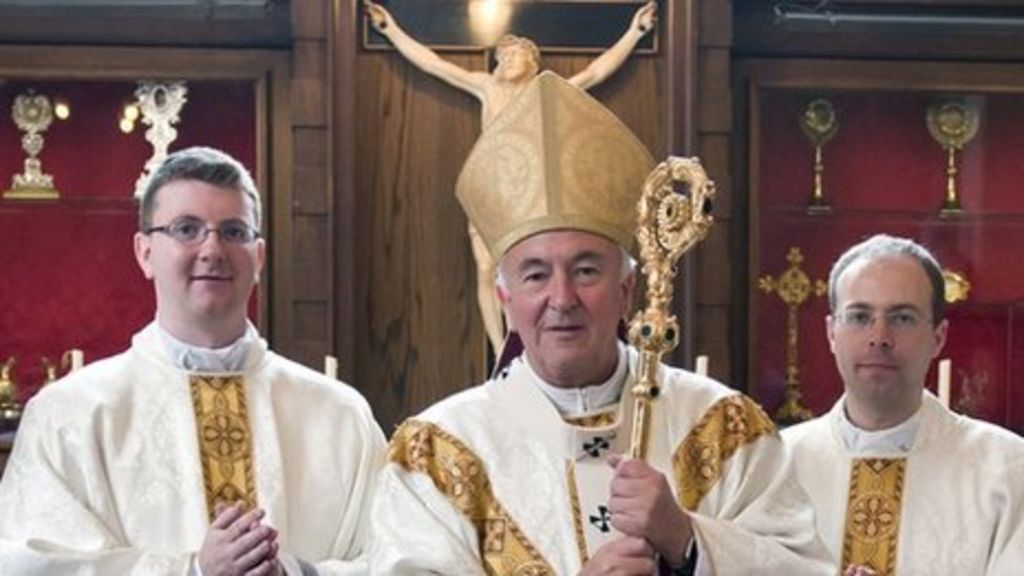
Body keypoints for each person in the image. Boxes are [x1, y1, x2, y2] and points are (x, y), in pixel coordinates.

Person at [368, 72, 830, 575]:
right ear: (505, 299)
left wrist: (687, 541)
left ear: (626, 290)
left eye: (586, 270)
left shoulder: (722, 427)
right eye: (536, 275)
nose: (562, 298)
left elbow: (803, 568)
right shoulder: (439, 451)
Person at [0, 147, 386, 575]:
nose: (212, 248)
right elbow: (29, 564)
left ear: (258, 257)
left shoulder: (340, 415)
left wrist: (296, 573)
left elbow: (396, 562)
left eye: (234, 232)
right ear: (145, 252)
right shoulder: (68, 415)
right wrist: (193, 571)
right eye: (187, 229)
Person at [365, 0, 657, 352]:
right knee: (486, 268)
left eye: (514, 55)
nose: (505, 61)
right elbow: (432, 64)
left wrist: (634, 32)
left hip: (531, 189)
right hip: (493, 184)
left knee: (531, 267)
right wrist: (390, 29)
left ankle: (525, 338)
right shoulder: (487, 87)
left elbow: (597, 72)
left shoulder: (546, 92)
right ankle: (503, 346)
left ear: (532, 63)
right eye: (502, 57)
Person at [783, 234, 1024, 575]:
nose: (879, 336)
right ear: (831, 334)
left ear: (938, 337)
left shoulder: (1008, 470)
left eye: (902, 318)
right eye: (859, 316)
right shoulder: (777, 465)